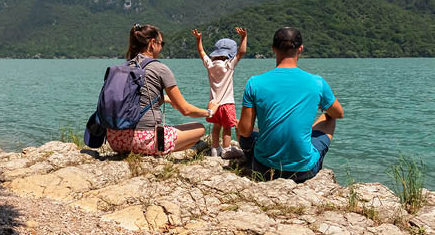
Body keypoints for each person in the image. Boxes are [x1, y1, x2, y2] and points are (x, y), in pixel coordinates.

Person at [237, 27, 344, 182]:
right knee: (329, 117)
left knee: (241, 127)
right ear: (300, 49)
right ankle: (305, 155)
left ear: (273, 48)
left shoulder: (254, 82)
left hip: (264, 168)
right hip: (303, 171)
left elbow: (245, 131)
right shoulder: (317, 82)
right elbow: (339, 113)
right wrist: (323, 107)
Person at [105, 24, 219, 156]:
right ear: (152, 43)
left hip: (115, 140)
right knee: (199, 128)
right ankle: (162, 149)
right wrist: (210, 111)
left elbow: (134, 98)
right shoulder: (159, 68)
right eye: (161, 43)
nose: (161, 47)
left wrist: (164, 98)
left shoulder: (125, 66)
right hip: (141, 141)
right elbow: (185, 110)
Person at [191, 27, 247, 158]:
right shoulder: (229, 65)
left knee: (216, 126)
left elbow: (201, 51)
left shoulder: (210, 65)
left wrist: (199, 39)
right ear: (230, 53)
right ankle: (227, 149)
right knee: (227, 128)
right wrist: (244, 37)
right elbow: (242, 52)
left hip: (214, 104)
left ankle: (215, 149)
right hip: (227, 103)